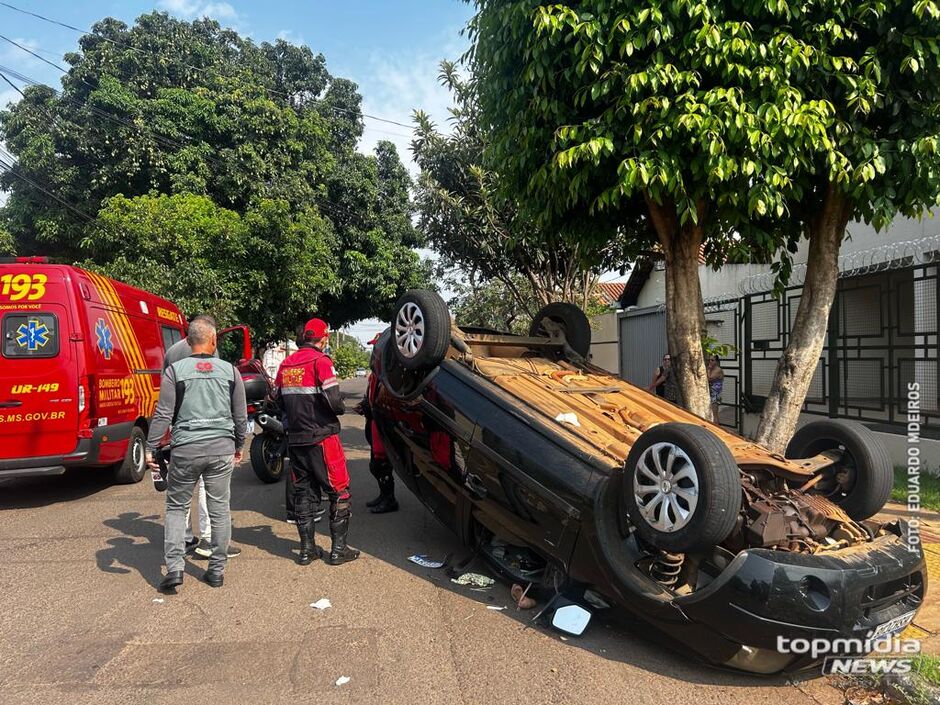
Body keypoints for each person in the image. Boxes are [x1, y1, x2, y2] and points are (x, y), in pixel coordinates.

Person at [146, 317, 248, 592]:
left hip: (186, 449)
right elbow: (240, 416)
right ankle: (216, 571)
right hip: (220, 449)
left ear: (189, 341)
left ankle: (176, 569)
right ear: (214, 341)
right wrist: (238, 445)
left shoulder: (175, 371)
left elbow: (164, 413)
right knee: (219, 510)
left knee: (177, 508)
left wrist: (151, 447)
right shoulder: (230, 371)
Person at [274, 317, 359, 566]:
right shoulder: (321, 362)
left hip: (296, 440)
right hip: (322, 438)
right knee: (340, 492)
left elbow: (277, 400)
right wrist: (340, 408)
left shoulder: (286, 364)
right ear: (324, 338)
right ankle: (338, 550)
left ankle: (306, 550)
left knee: (303, 494)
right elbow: (334, 401)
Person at [161, 315, 241, 560]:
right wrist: (237, 443)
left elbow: (166, 399)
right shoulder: (212, 355)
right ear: (211, 335)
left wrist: (157, 444)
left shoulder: (172, 352)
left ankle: (184, 539)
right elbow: (219, 393)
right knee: (211, 492)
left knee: (179, 497)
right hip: (213, 434)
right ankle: (208, 540)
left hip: (183, 435)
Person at [356, 341, 398, 514]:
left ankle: (390, 500)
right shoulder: (375, 375)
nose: (374, 354)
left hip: (383, 425)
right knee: (376, 464)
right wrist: (364, 405)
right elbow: (372, 397)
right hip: (373, 422)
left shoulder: (391, 375)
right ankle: (384, 495)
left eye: (377, 350)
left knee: (381, 464)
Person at [707, 354, 724, 423]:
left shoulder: (718, 370)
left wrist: (708, 369)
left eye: (712, 360)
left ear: (716, 362)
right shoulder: (711, 369)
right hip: (711, 393)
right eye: (709, 360)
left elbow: (709, 378)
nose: (710, 362)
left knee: (714, 413)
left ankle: (716, 428)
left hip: (715, 394)